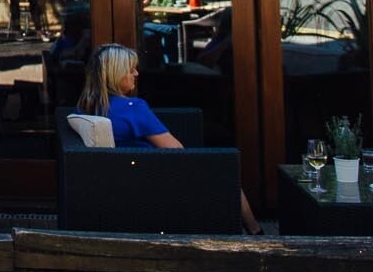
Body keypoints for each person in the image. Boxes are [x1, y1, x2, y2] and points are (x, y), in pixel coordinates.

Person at [77, 42, 261, 235]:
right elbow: (176, 151)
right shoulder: (133, 108)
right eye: (131, 70)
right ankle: (255, 231)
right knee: (224, 169)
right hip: (154, 177)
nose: (136, 74)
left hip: (124, 177)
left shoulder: (85, 107)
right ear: (115, 75)